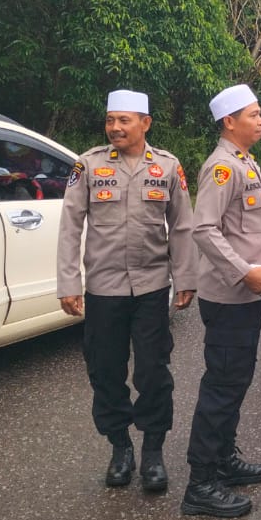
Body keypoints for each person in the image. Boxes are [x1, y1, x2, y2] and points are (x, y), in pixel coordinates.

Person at [56, 90, 196, 493]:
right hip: (104, 289)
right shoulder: (88, 165)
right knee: (105, 371)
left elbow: (182, 226)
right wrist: (69, 282)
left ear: (145, 124)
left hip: (152, 287)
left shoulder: (167, 167)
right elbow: (71, 226)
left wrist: (186, 278)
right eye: (110, 120)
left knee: (153, 371)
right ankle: (120, 447)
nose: (115, 127)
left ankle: (153, 451)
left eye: (125, 121)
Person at [181, 84, 261, 518]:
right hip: (231, 295)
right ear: (229, 122)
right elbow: (204, 230)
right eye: (254, 115)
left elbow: (245, 228)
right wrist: (244, 271)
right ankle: (200, 483)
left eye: (260, 113)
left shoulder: (244, 161)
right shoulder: (221, 168)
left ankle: (223, 459)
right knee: (221, 386)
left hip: (250, 292)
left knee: (235, 381)